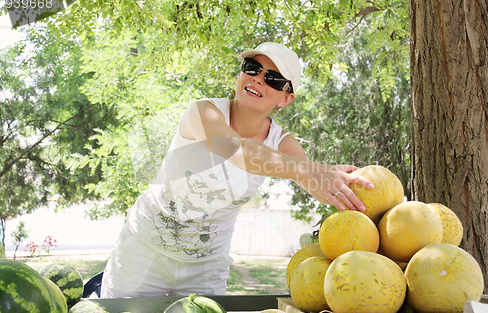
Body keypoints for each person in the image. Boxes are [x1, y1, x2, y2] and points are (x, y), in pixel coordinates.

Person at [100, 42, 374, 298]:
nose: (257, 78)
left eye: (273, 79)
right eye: (252, 68)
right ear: (240, 75)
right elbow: (238, 151)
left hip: (205, 267)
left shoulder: (282, 144)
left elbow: (318, 185)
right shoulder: (204, 112)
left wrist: (358, 193)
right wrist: (307, 169)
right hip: (144, 251)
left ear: (285, 99)